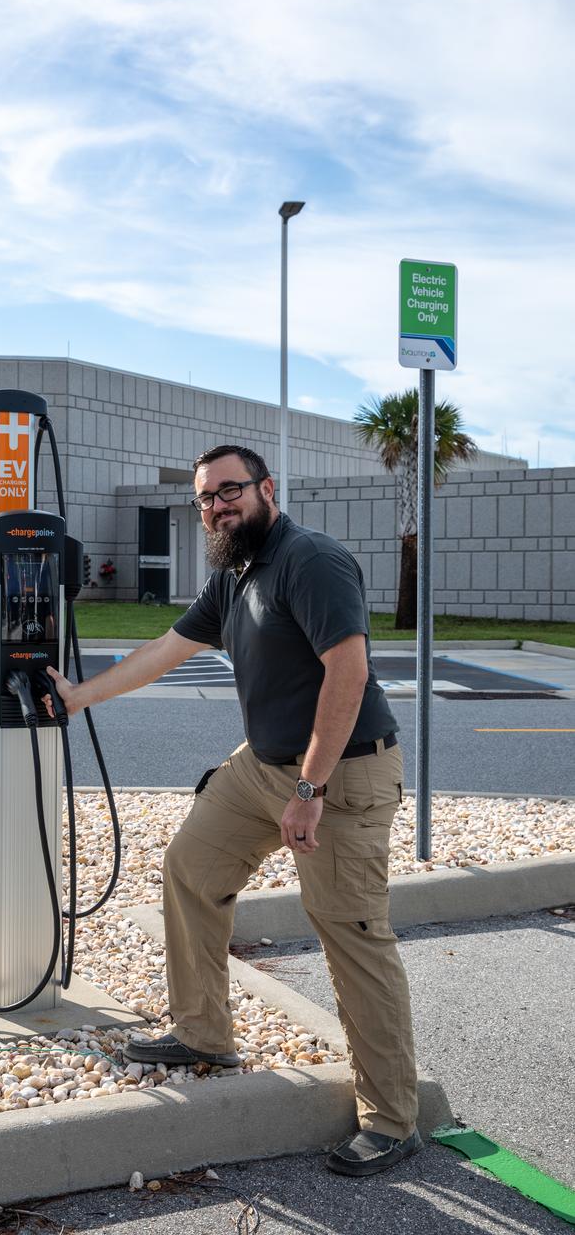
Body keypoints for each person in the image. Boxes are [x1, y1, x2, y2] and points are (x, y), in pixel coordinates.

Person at [45, 444, 421, 1178]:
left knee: (349, 933)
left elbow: (349, 673)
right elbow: (166, 648)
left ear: (265, 488)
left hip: (341, 774)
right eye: (206, 497)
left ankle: (392, 1118)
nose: (217, 505)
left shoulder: (309, 561)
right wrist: (79, 695)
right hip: (264, 765)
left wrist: (309, 791)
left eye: (229, 490)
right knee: (191, 867)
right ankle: (203, 1032)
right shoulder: (234, 573)